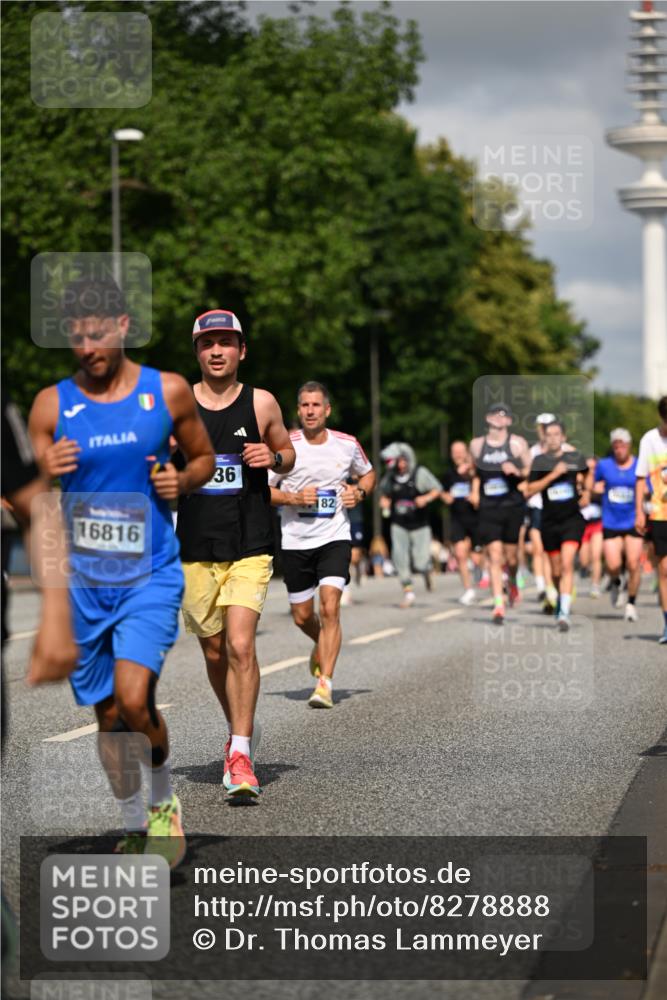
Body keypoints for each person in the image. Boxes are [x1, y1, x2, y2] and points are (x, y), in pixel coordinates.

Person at [29, 277, 215, 866]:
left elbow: (205, 457)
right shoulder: (51, 405)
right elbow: (20, 495)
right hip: (85, 584)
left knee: (135, 700)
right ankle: (133, 818)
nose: (88, 347)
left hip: (150, 575)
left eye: (98, 334)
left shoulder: (169, 391)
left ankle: (163, 803)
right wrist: (42, 472)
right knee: (107, 715)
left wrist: (181, 480)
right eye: (77, 338)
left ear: (124, 327)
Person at [176, 309, 295, 797]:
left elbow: (288, 453)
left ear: (242, 350)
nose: (217, 350)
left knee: (241, 644)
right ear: (199, 353)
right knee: (213, 648)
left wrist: (275, 459)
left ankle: (241, 754)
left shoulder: (261, 403)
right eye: (208, 344)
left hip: (250, 539)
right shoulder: (176, 406)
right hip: (197, 544)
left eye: (227, 342)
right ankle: (238, 730)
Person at [269, 382, 375, 708]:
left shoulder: (346, 444)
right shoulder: (285, 446)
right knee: (302, 616)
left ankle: (324, 684)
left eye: (316, 405)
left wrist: (358, 493)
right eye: (304, 405)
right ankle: (321, 643)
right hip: (295, 540)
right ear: (298, 410)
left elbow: (368, 474)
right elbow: (263, 490)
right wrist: (292, 497)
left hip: (334, 535)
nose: (310, 411)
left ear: (327, 410)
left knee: (329, 606)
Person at [521, 420, 590, 631]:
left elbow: (587, 472)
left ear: (563, 437)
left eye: (556, 434)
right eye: (548, 434)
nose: (552, 438)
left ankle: (564, 614)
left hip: (571, 519)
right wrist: (553, 475)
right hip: (549, 521)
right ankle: (561, 596)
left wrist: (585, 491)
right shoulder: (539, 461)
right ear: (544, 438)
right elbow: (529, 490)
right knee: (557, 570)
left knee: (568, 564)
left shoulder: (574, 457)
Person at [469, 403, 531, 624]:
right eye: (494, 413)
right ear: (487, 418)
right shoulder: (477, 446)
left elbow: (529, 471)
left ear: (509, 421)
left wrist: (517, 472)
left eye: (503, 415)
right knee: (494, 556)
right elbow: (475, 471)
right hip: (488, 507)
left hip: (512, 505)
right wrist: (474, 490)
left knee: (511, 557)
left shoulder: (516, 444)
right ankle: (498, 604)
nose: (498, 418)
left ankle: (513, 581)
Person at [379, 442, 442, 608]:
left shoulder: (419, 473)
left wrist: (426, 498)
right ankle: (408, 592)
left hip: (420, 524)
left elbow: (437, 489)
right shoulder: (390, 477)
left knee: (420, 562)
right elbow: (384, 493)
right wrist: (384, 502)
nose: (399, 465)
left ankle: (426, 570)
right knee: (400, 558)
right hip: (399, 524)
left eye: (401, 461)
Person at [594, 428, 642, 621]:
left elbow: (648, 487)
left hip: (632, 520)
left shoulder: (639, 465)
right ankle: (616, 582)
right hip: (611, 521)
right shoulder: (604, 465)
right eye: (616, 446)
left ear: (629, 446)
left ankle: (631, 603)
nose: (619, 449)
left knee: (633, 563)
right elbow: (592, 484)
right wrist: (595, 488)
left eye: (622, 445)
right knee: (613, 565)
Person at [635, 396, 667, 642]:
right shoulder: (650, 440)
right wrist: (639, 512)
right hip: (659, 513)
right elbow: (640, 478)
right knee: (665, 569)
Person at [441, 440, 480, 605]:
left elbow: (480, 481)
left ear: (466, 453)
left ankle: (493, 577)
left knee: (479, 558)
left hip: (477, 517)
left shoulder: (475, 471)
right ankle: (468, 589)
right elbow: (441, 492)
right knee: (460, 554)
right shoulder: (448, 474)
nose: (457, 454)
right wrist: (446, 497)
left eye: (460, 451)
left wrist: (475, 494)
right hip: (457, 518)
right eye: (454, 451)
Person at [579, 458, 604, 600]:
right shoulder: (578, 483)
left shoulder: (601, 483)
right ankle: (585, 569)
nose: (591, 471)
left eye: (594, 468)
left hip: (597, 523)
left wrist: (595, 492)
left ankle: (595, 585)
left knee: (596, 555)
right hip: (582, 525)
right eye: (588, 468)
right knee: (584, 559)